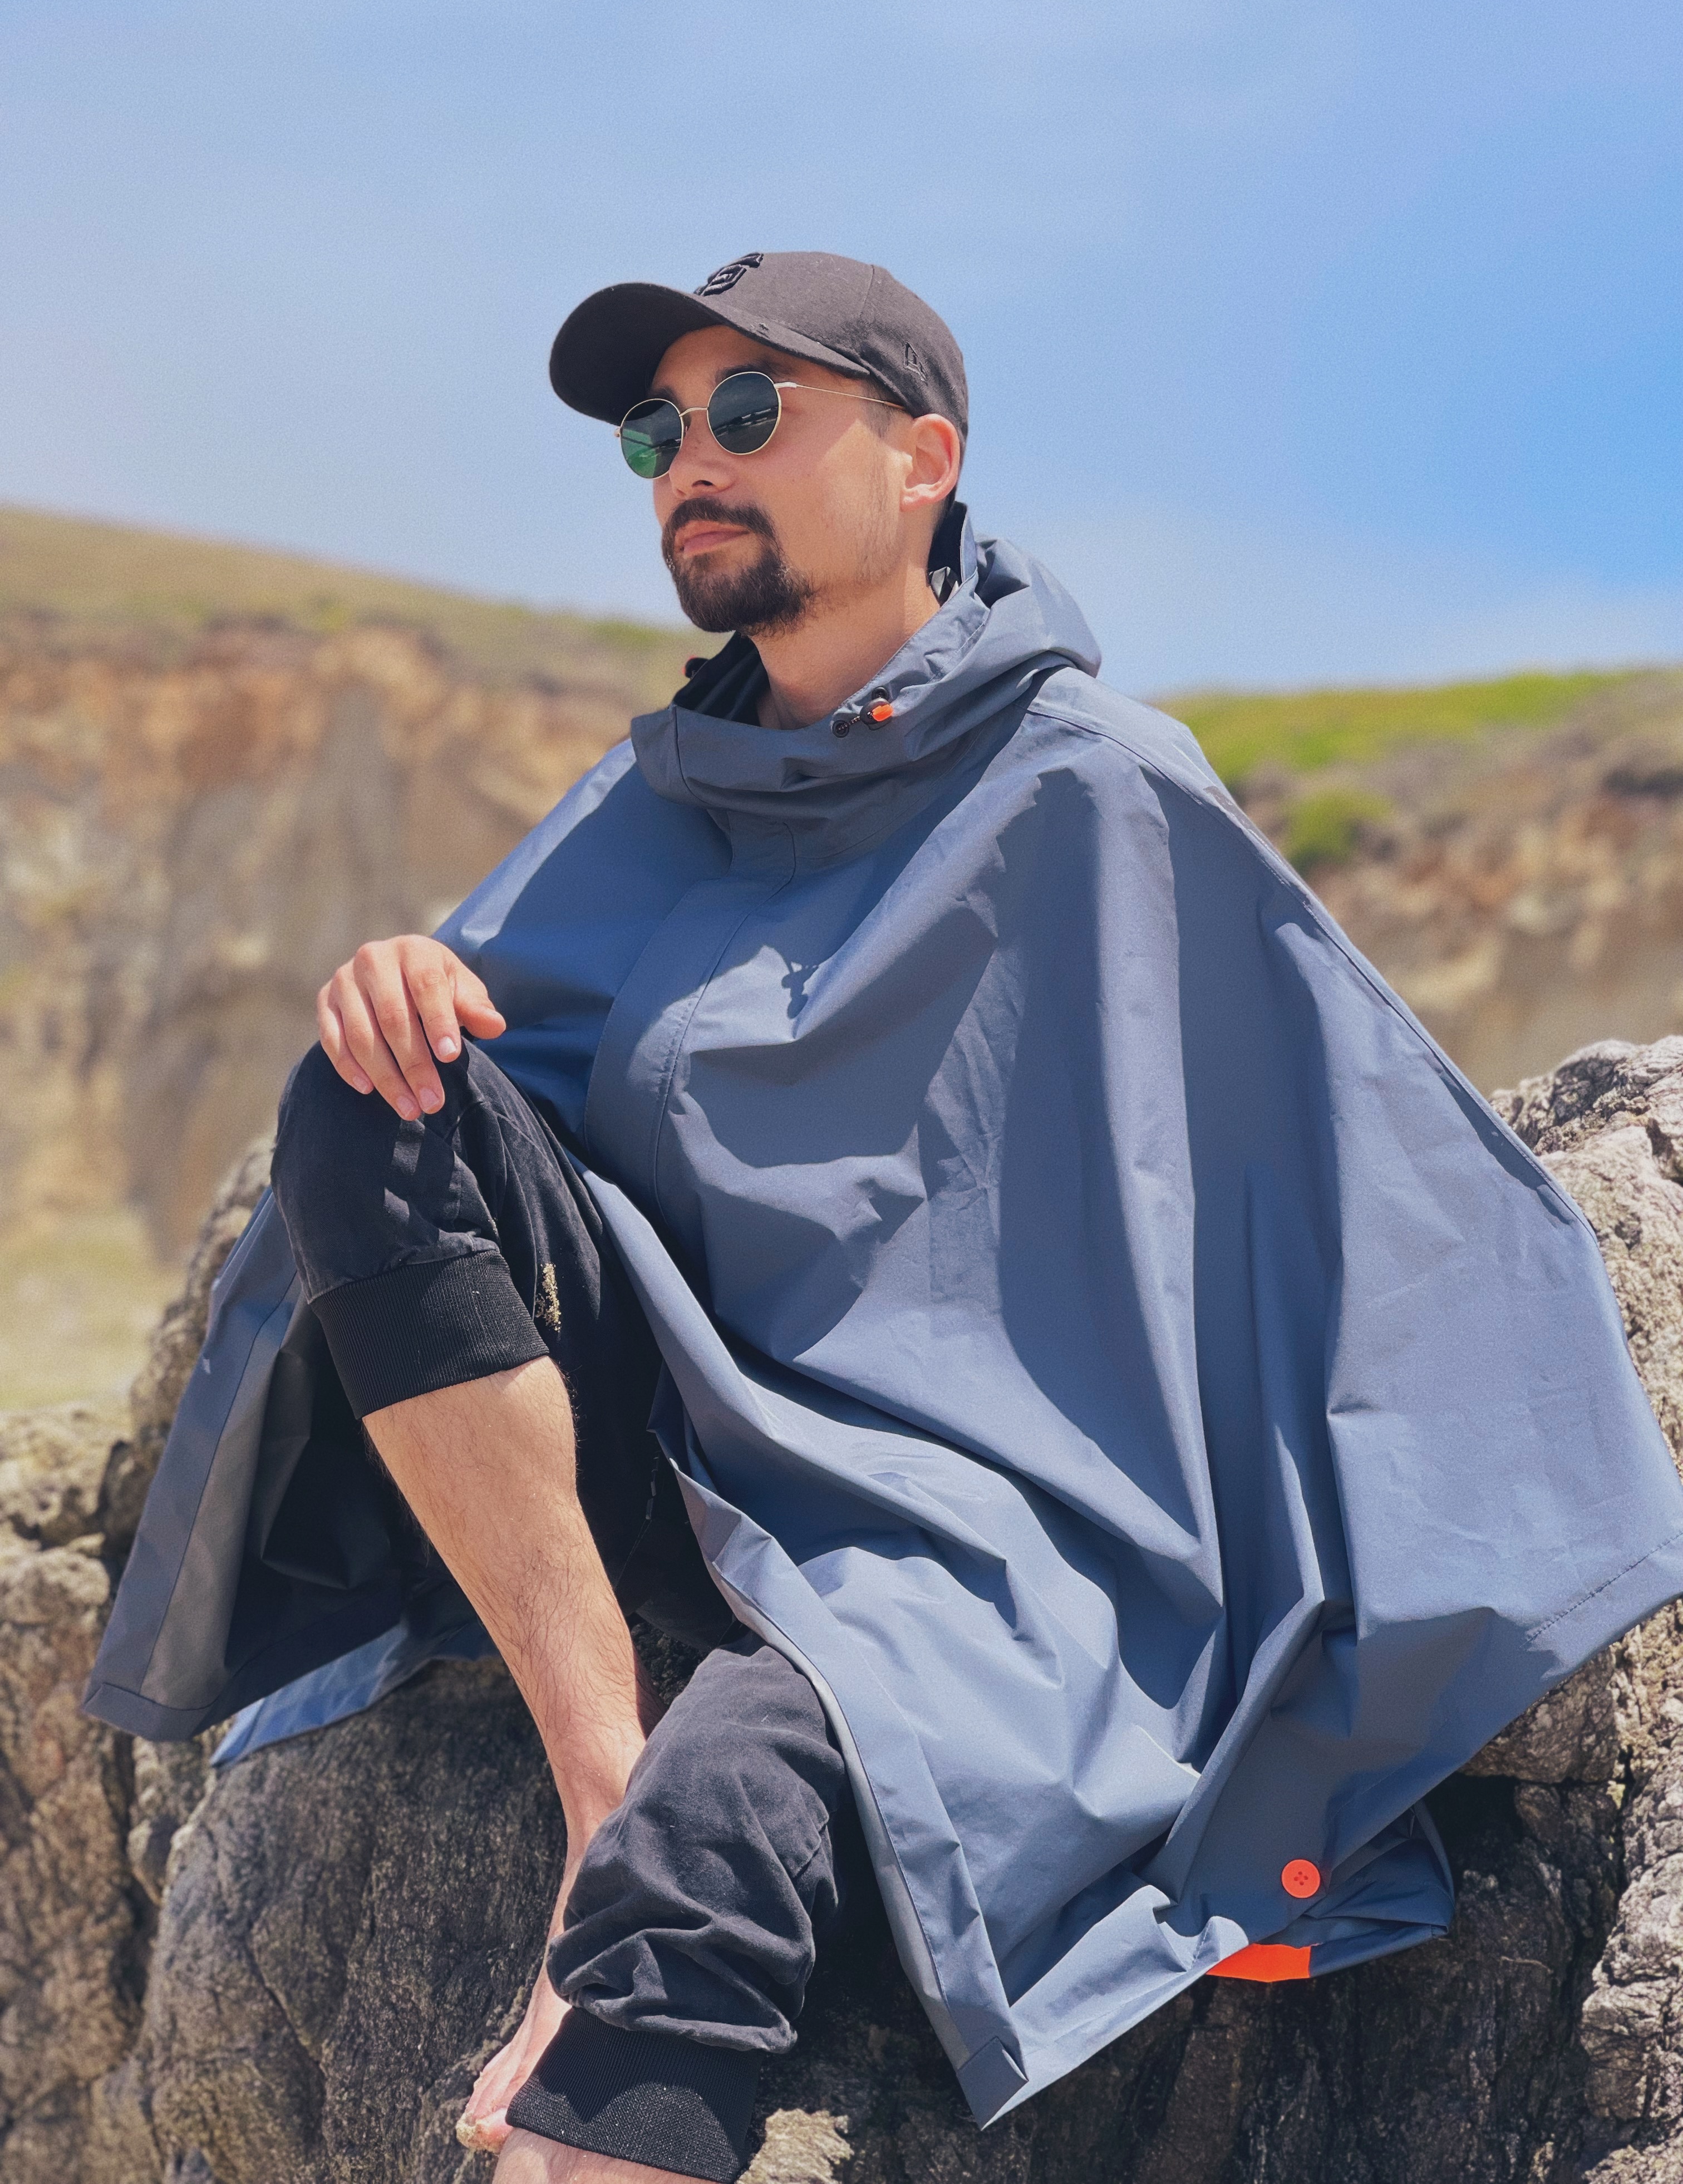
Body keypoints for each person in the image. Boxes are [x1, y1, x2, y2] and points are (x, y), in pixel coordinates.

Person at [87, 253, 1683, 2184]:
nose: (693, 462)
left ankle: (625, 2020)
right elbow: (506, 1106)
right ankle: (604, 1789)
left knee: (734, 1821)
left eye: (752, 412)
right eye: (658, 433)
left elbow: (1380, 1200)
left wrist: (1316, 1715)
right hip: (678, 1451)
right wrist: (406, 999)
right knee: (374, 1079)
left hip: (969, 1542)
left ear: (925, 458)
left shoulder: (1100, 786)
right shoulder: (660, 792)